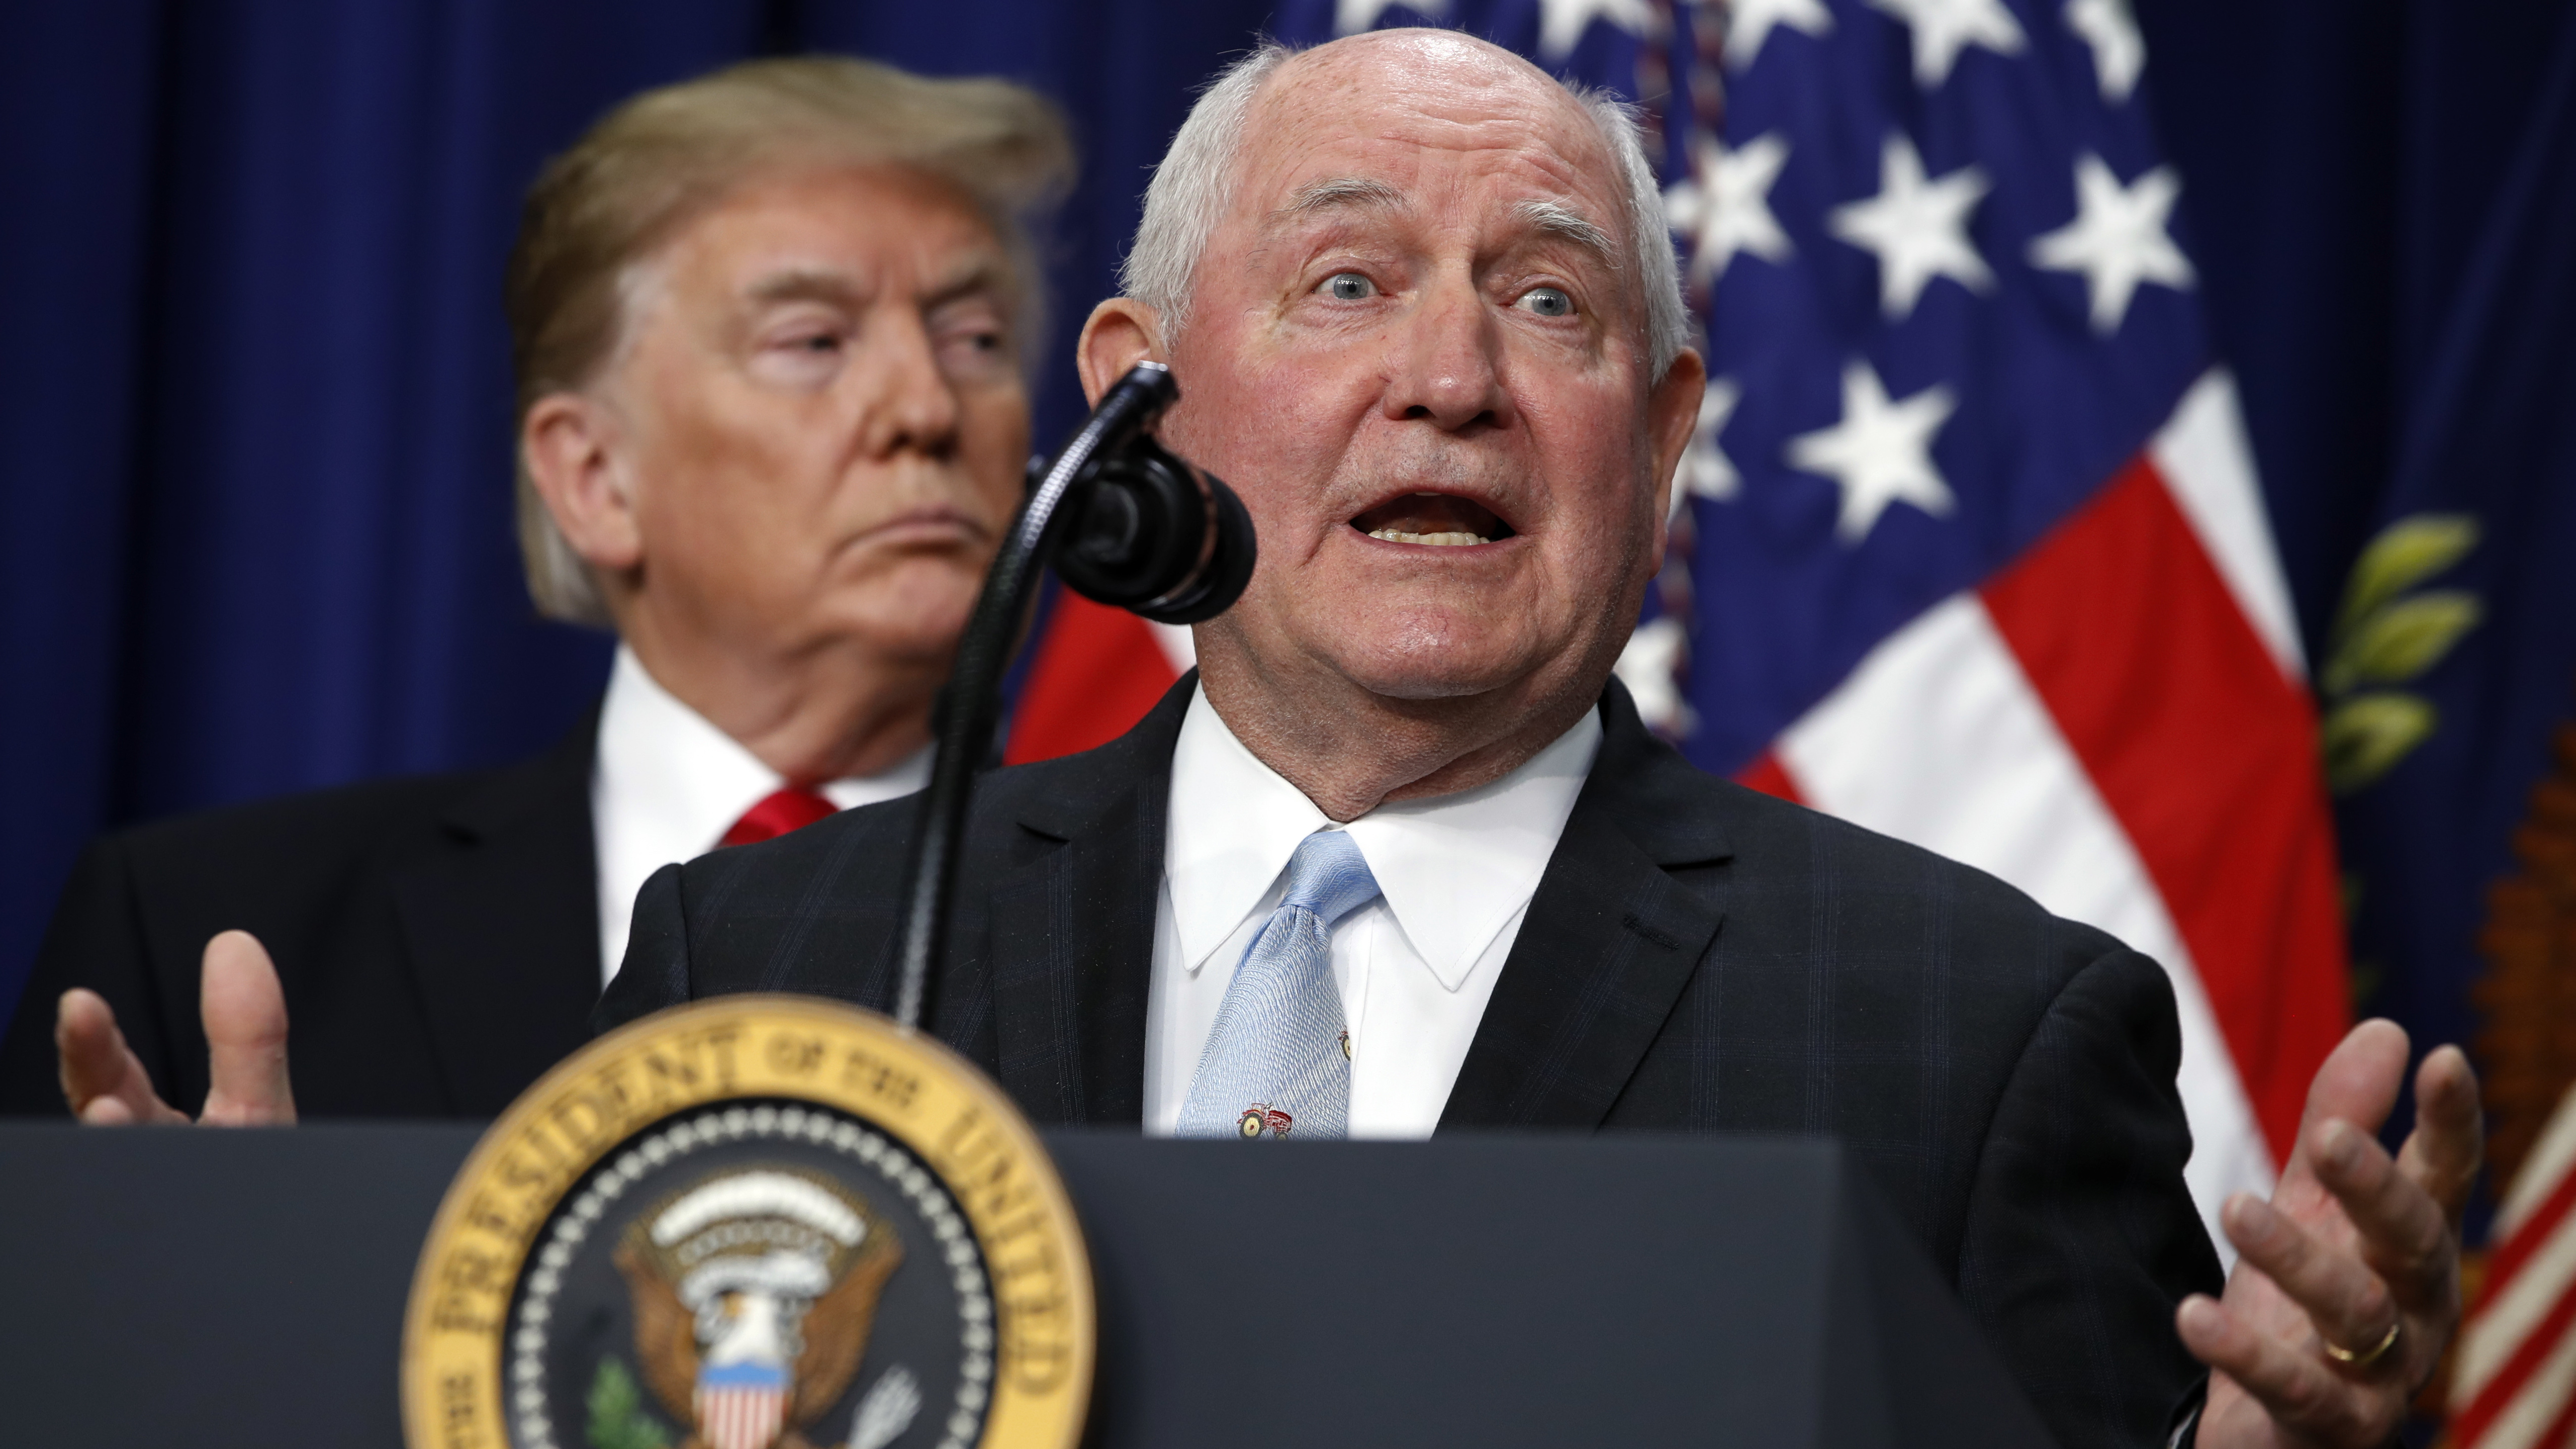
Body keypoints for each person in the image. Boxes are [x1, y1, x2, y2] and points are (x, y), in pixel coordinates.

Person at [591, 32, 2480, 1449]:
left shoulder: (1974, 1037)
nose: (1449, 379)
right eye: (1347, 282)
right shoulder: (764, 965)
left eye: (1547, 301)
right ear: (1136, 403)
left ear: (1657, 441)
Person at [0, 57, 1072, 1120]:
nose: (927, 409)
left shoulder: (1138, 922)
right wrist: (214, 1233)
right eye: (814, 342)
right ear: (595, 478)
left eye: (975, 340)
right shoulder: (195, 928)